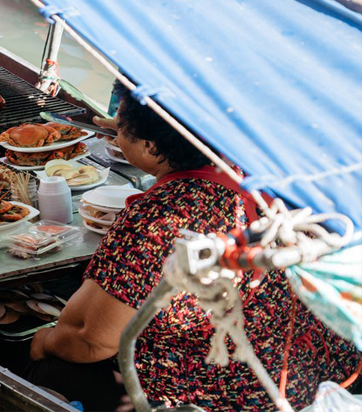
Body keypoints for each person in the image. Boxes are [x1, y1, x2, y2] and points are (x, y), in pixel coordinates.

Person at [26, 84, 360, 411]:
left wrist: (45, 341)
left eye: (121, 124)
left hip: (242, 396)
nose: (115, 129)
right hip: (322, 371)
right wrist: (131, 128)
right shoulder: (260, 167)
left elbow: (91, 339)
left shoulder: (161, 218)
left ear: (151, 147)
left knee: (52, 368)